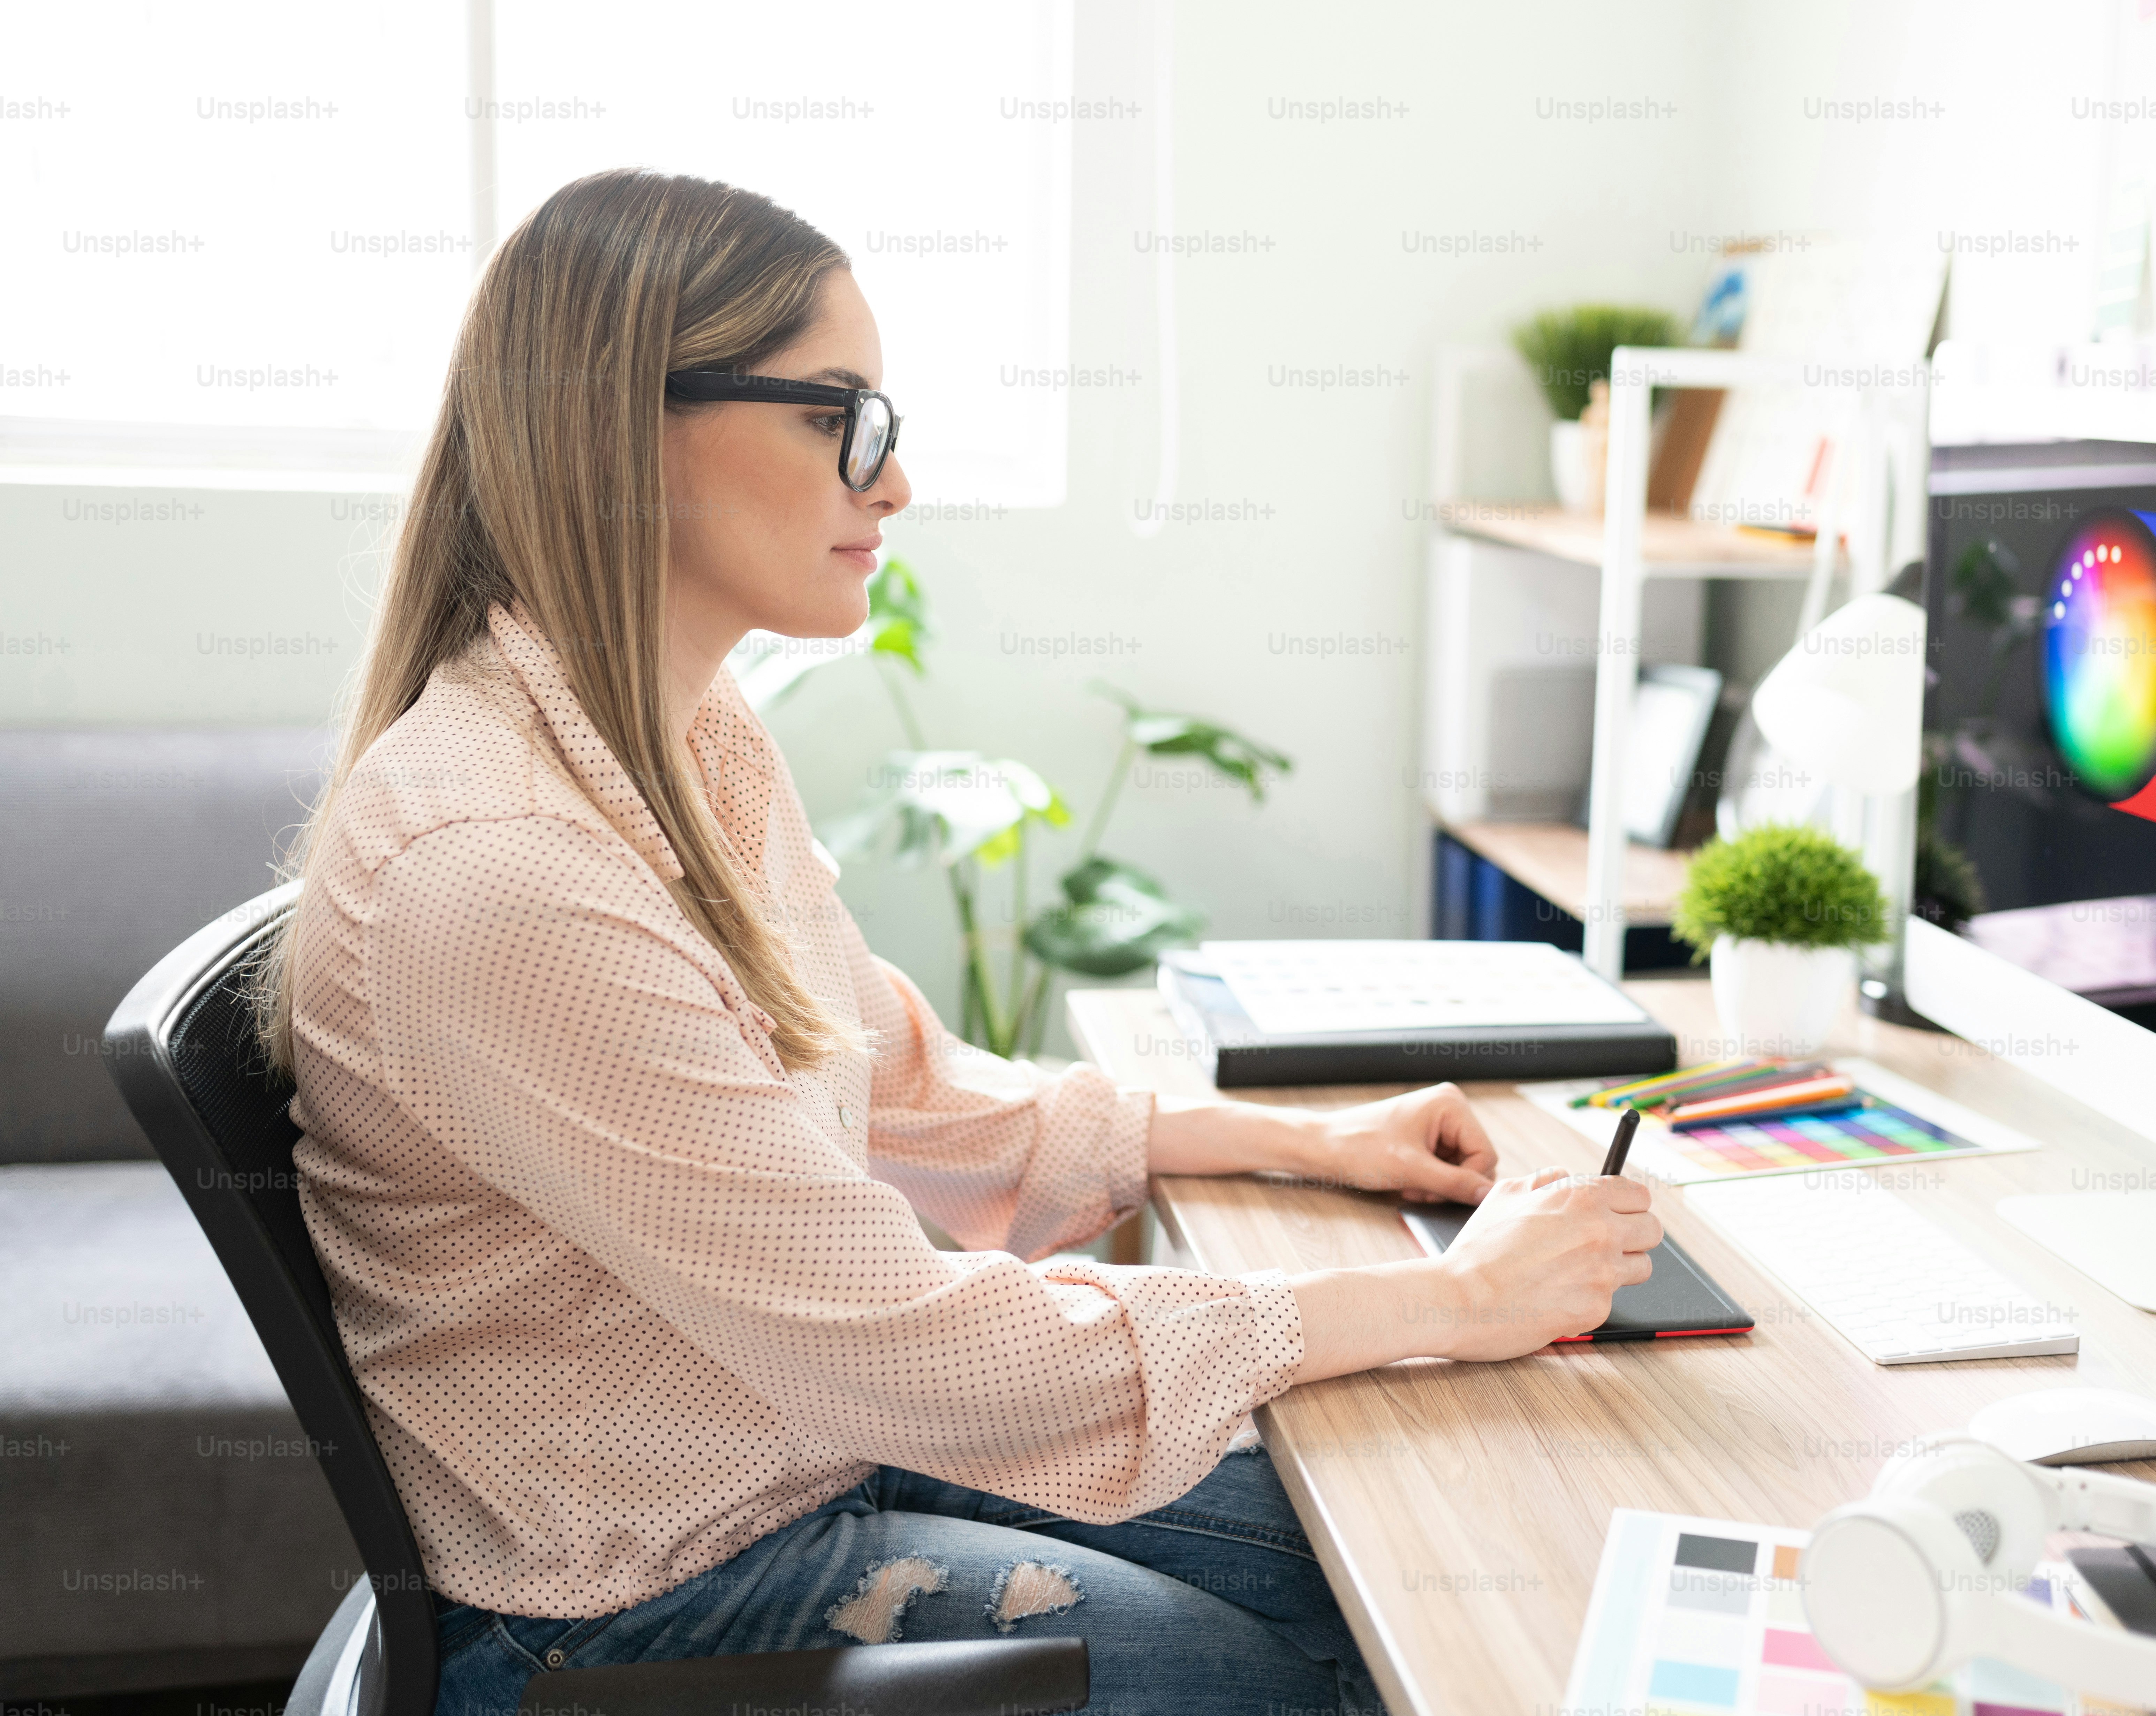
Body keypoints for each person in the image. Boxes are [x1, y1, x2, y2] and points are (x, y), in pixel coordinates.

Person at [258, 168, 1659, 1716]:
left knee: (1382, 1549)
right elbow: (915, 1348)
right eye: (842, 416)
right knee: (1311, 1679)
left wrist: (1310, 1142)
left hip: (789, 1464)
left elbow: (898, 1076)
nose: (894, 479)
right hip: (619, 1617)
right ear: (628, 427)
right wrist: (1455, 1301)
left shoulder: (682, 737)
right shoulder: (504, 871)